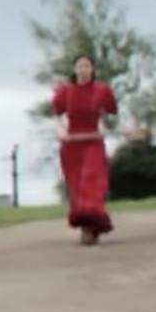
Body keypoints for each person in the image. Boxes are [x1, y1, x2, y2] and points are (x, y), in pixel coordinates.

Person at [51, 54, 118, 245]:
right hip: (72, 145)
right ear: (74, 70)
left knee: (91, 182)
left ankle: (92, 225)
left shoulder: (102, 91)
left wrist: (113, 128)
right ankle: (87, 228)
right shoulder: (65, 92)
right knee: (78, 187)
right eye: (80, 66)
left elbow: (112, 112)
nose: (83, 69)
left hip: (93, 141)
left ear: (93, 69)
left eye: (87, 66)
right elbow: (56, 115)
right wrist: (61, 132)